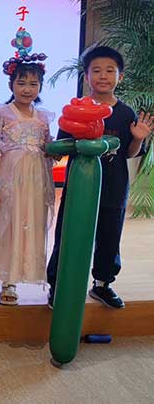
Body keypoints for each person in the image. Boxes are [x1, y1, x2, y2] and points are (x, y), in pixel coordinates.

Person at [46, 46, 154, 309]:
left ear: (120, 76)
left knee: (109, 236)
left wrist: (138, 139)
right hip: (79, 187)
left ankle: (102, 285)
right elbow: (61, 148)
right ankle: (58, 286)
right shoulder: (76, 110)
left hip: (114, 186)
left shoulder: (126, 113)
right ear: (86, 77)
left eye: (109, 70)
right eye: (96, 70)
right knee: (68, 235)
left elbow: (129, 153)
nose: (103, 76)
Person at [0, 49, 54, 305]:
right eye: (21, 83)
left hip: (35, 183)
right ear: (11, 84)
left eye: (33, 84)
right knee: (7, 225)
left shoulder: (42, 117)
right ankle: (7, 280)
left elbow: (47, 148)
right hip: (9, 180)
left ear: (40, 86)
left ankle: (24, 273)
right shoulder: (2, 113)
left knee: (30, 224)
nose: (27, 89)